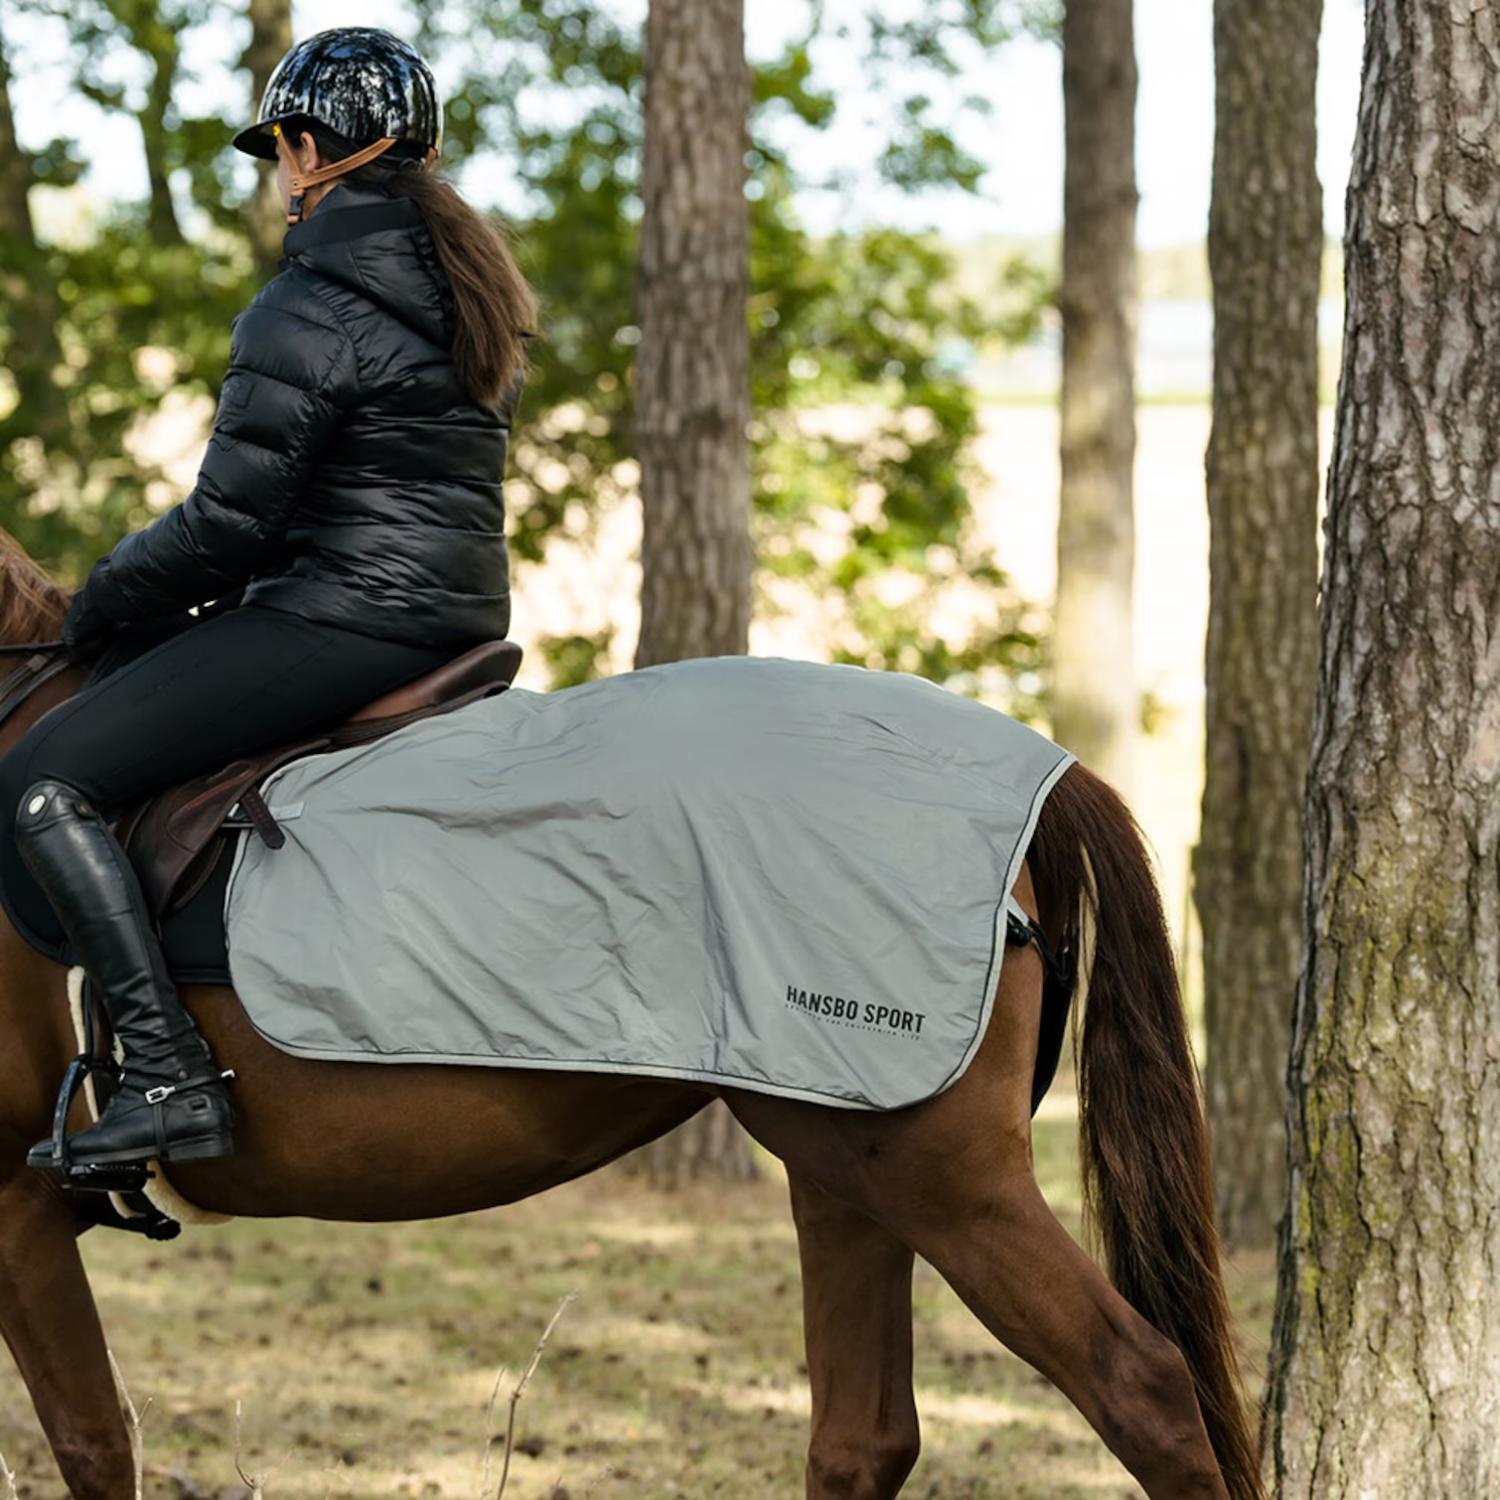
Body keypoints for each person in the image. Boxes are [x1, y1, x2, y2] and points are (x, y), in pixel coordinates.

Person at [0, 26, 538, 1178]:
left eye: (278, 152)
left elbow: (226, 525)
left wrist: (99, 602)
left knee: (47, 780)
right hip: (446, 614)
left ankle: (167, 1077)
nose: (277, 174)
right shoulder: (462, 287)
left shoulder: (307, 303)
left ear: (304, 151)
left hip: (343, 617)